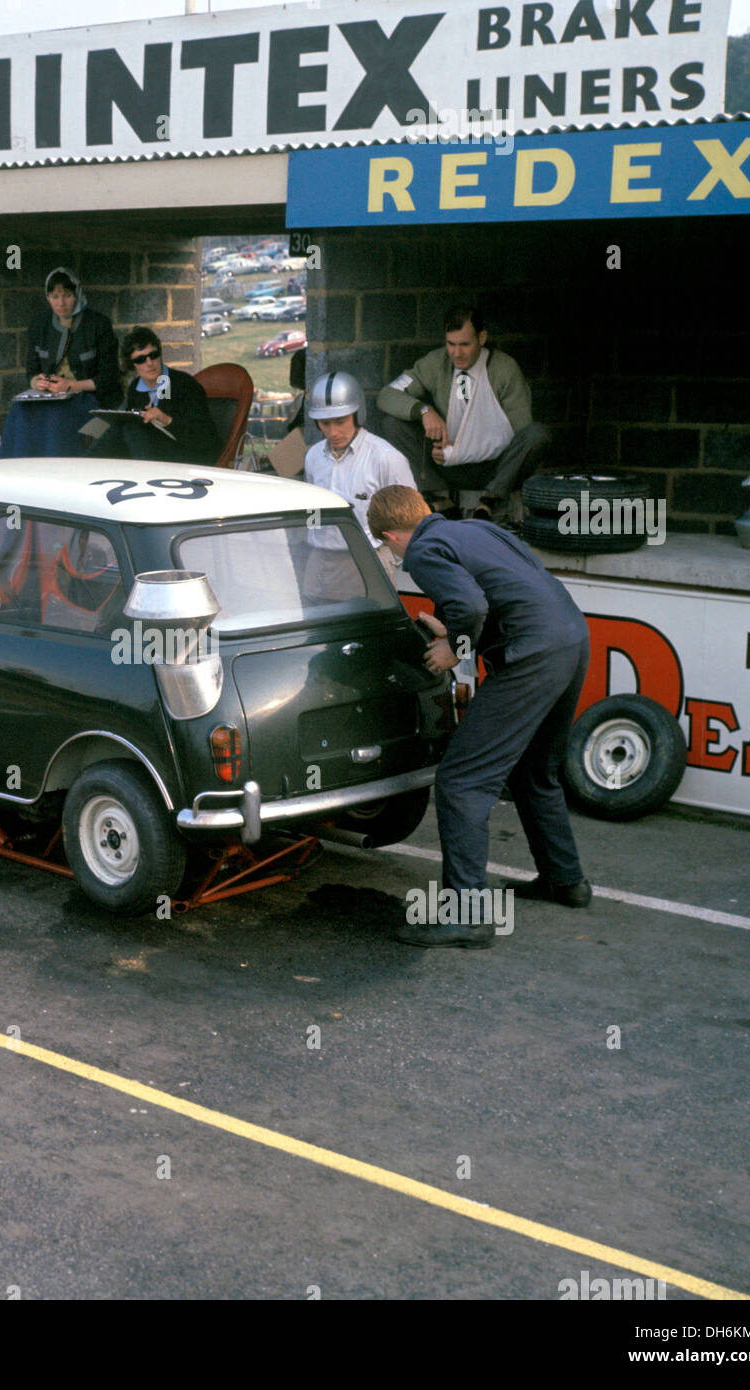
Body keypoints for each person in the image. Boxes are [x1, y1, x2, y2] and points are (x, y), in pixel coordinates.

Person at [368, 485, 592, 949]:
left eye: (387, 545)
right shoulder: (475, 528)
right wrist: (454, 629)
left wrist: (456, 646)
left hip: (531, 652)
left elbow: (472, 605)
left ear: (391, 536)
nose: (392, 553)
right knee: (535, 770)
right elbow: (503, 591)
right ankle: (565, 880)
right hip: (571, 638)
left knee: (462, 781)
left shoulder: (424, 550)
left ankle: (467, 914)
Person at [374, 305, 549, 522]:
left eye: (465, 344)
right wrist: (424, 411)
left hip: (494, 470)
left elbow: (520, 432)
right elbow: (386, 395)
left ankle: (489, 501)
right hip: (446, 466)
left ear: (482, 338)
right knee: (392, 424)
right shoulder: (436, 363)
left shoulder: (505, 369)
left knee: (537, 434)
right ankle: (439, 497)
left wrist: (465, 449)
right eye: (451, 344)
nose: (457, 353)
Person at [302, 370, 414, 597]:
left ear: (357, 414)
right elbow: (311, 510)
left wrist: (396, 561)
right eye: (325, 423)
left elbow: (410, 518)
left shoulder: (385, 458)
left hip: (368, 558)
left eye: (340, 422)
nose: (333, 432)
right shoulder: (313, 457)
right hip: (321, 558)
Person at [91, 327, 221, 466]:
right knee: (113, 430)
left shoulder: (185, 384)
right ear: (132, 364)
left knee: (132, 431)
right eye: (141, 359)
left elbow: (206, 438)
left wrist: (167, 420)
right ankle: (88, 467)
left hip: (190, 456)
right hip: (154, 452)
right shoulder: (136, 387)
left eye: (153, 355)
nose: (149, 363)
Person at [26, 266, 120, 406]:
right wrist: (38, 383)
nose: (61, 303)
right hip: (50, 397)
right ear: (48, 297)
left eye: (67, 295)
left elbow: (109, 377)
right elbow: (32, 371)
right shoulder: (39, 325)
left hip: (90, 398)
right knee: (19, 412)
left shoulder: (99, 324)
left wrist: (71, 386)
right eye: (55, 296)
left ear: (77, 294)